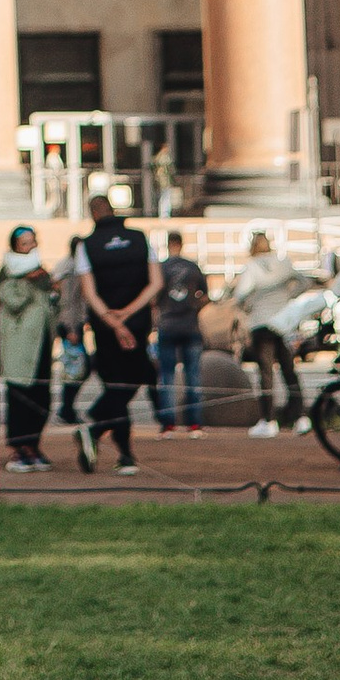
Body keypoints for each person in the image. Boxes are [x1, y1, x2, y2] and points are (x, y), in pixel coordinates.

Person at [76, 190, 155, 474]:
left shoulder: (86, 245)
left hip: (105, 327)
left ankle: (98, 429)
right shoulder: (140, 238)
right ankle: (122, 452)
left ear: (93, 214)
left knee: (116, 385)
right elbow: (156, 283)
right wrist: (128, 314)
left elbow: (89, 293)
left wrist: (114, 322)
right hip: (138, 323)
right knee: (135, 379)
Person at [0, 227, 59, 466]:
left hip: (41, 344)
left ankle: (34, 444)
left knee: (42, 398)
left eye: (32, 242)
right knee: (20, 398)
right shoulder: (8, 272)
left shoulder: (41, 272)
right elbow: (12, 301)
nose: (30, 247)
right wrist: (27, 281)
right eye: (25, 243)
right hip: (19, 346)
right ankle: (20, 448)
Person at [230, 228, 312, 432]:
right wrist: (289, 295)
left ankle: (268, 420)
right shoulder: (283, 263)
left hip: (262, 323)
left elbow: (240, 294)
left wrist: (248, 305)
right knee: (289, 370)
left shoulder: (252, 266)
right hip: (283, 323)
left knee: (266, 373)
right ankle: (300, 416)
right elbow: (305, 281)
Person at [151, 231, 209, 433]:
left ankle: (168, 423)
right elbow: (205, 296)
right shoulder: (192, 267)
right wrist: (194, 307)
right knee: (193, 376)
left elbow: (153, 298)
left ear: (168, 245)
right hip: (190, 326)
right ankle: (194, 423)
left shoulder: (161, 268)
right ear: (181, 244)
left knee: (166, 377)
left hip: (167, 326)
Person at [54, 242, 88, 425]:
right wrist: (71, 329)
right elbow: (67, 302)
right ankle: (66, 408)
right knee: (77, 368)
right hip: (71, 325)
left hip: (73, 324)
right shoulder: (70, 270)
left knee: (76, 367)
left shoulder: (70, 267)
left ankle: (67, 408)